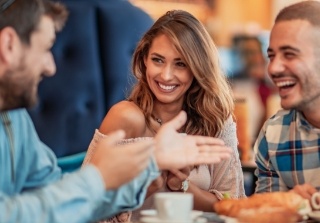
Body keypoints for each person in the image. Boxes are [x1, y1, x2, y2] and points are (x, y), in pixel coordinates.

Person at [0, 1, 234, 223]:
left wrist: (148, 177)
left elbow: (56, 191)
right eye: (45, 49)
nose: (51, 66)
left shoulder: (14, 117)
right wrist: (98, 179)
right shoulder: (126, 116)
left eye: (181, 63)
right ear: (9, 44)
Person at [97, 9, 246, 222]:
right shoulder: (125, 117)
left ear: (197, 68)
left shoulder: (216, 119)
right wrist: (150, 184)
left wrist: (182, 186)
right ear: (144, 60)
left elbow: (235, 205)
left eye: (181, 64)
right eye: (158, 60)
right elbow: (86, 210)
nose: (166, 75)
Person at [254, 0, 320, 203]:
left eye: (289, 54)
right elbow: (265, 213)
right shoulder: (273, 133)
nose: (273, 69)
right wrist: (288, 204)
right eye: (271, 56)